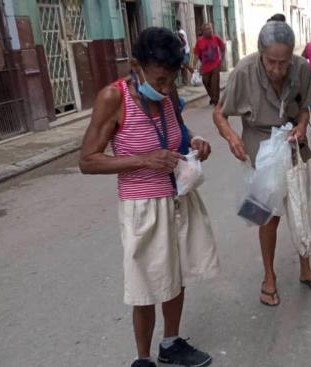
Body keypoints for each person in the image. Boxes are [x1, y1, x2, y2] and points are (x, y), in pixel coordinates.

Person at [79, 27, 219, 367]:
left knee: (178, 274)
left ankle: (170, 344)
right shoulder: (113, 98)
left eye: (171, 80)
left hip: (178, 197)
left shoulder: (168, 95)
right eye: (159, 80)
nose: (165, 87)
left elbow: (178, 136)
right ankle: (143, 359)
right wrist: (144, 159)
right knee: (145, 286)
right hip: (142, 206)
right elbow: (87, 161)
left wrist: (196, 143)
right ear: (135, 65)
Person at [212, 21, 311, 307]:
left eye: (283, 62)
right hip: (260, 147)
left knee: (299, 206)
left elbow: (303, 108)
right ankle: (269, 276)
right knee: (267, 215)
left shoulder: (301, 68)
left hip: (291, 143)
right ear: (261, 54)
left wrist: (302, 125)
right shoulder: (243, 71)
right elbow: (220, 113)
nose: (277, 69)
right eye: (271, 62)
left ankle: (305, 269)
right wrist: (231, 138)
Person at [194, 23, 225, 105]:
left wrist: (222, 60)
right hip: (205, 67)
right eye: (207, 29)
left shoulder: (216, 38)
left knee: (215, 82)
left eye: (210, 28)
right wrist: (193, 66)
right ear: (203, 31)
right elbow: (196, 54)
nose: (210, 30)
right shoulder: (199, 41)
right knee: (205, 81)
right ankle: (212, 96)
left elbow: (223, 48)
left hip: (215, 64)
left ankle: (216, 100)